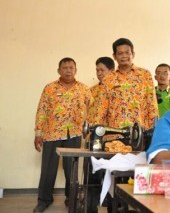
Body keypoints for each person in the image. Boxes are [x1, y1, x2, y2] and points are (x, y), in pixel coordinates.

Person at [33, 58, 92, 212]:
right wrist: (39, 133)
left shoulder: (84, 89)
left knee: (71, 168)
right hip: (52, 133)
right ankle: (44, 200)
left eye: (71, 67)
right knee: (48, 169)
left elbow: (93, 110)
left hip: (74, 133)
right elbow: (42, 110)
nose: (68, 70)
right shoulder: (50, 88)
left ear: (76, 70)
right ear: (58, 70)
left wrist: (90, 130)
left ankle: (70, 198)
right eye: (64, 68)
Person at [88, 38, 158, 130]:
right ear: (114, 56)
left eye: (127, 52)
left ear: (133, 54)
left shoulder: (145, 75)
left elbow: (152, 104)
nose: (124, 56)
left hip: (141, 132)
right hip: (114, 133)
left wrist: (155, 129)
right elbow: (101, 108)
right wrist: (96, 131)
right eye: (120, 53)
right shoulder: (108, 79)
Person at [86, 56, 115, 213]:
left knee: (113, 174)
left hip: (113, 138)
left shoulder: (118, 89)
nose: (98, 73)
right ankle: (91, 208)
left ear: (111, 71)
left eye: (102, 70)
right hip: (95, 139)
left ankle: (112, 206)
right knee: (92, 174)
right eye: (97, 70)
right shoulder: (92, 91)